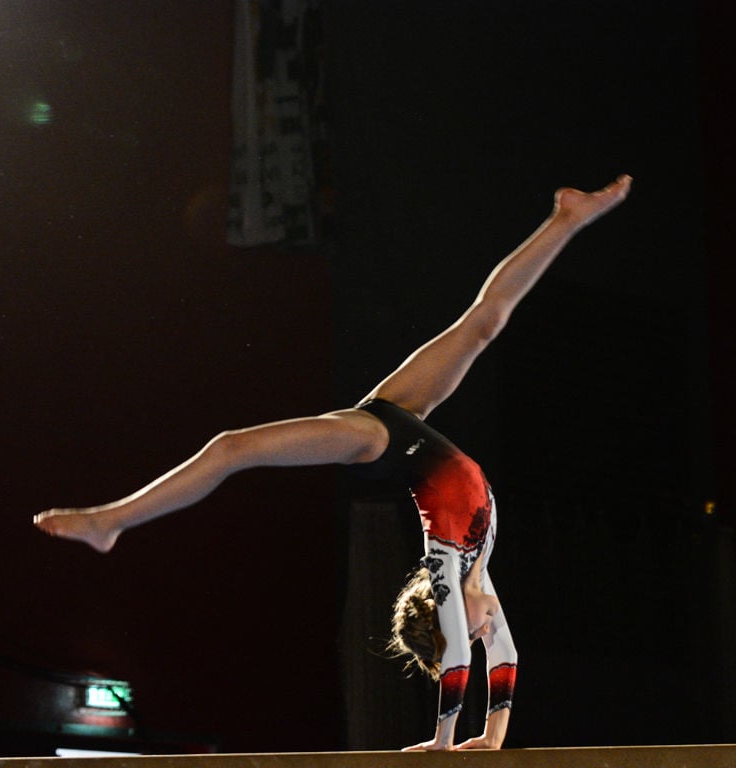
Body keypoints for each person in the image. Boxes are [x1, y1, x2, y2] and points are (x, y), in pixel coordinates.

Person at [34, 174, 633, 750]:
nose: (483, 634)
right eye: (479, 635)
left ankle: (111, 521)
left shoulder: (447, 568)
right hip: (404, 416)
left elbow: (456, 656)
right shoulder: (481, 573)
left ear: (442, 612)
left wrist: (444, 744)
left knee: (231, 447)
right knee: (485, 322)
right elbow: (507, 660)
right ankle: (566, 218)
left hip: (379, 442)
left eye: (470, 631)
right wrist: (492, 738)